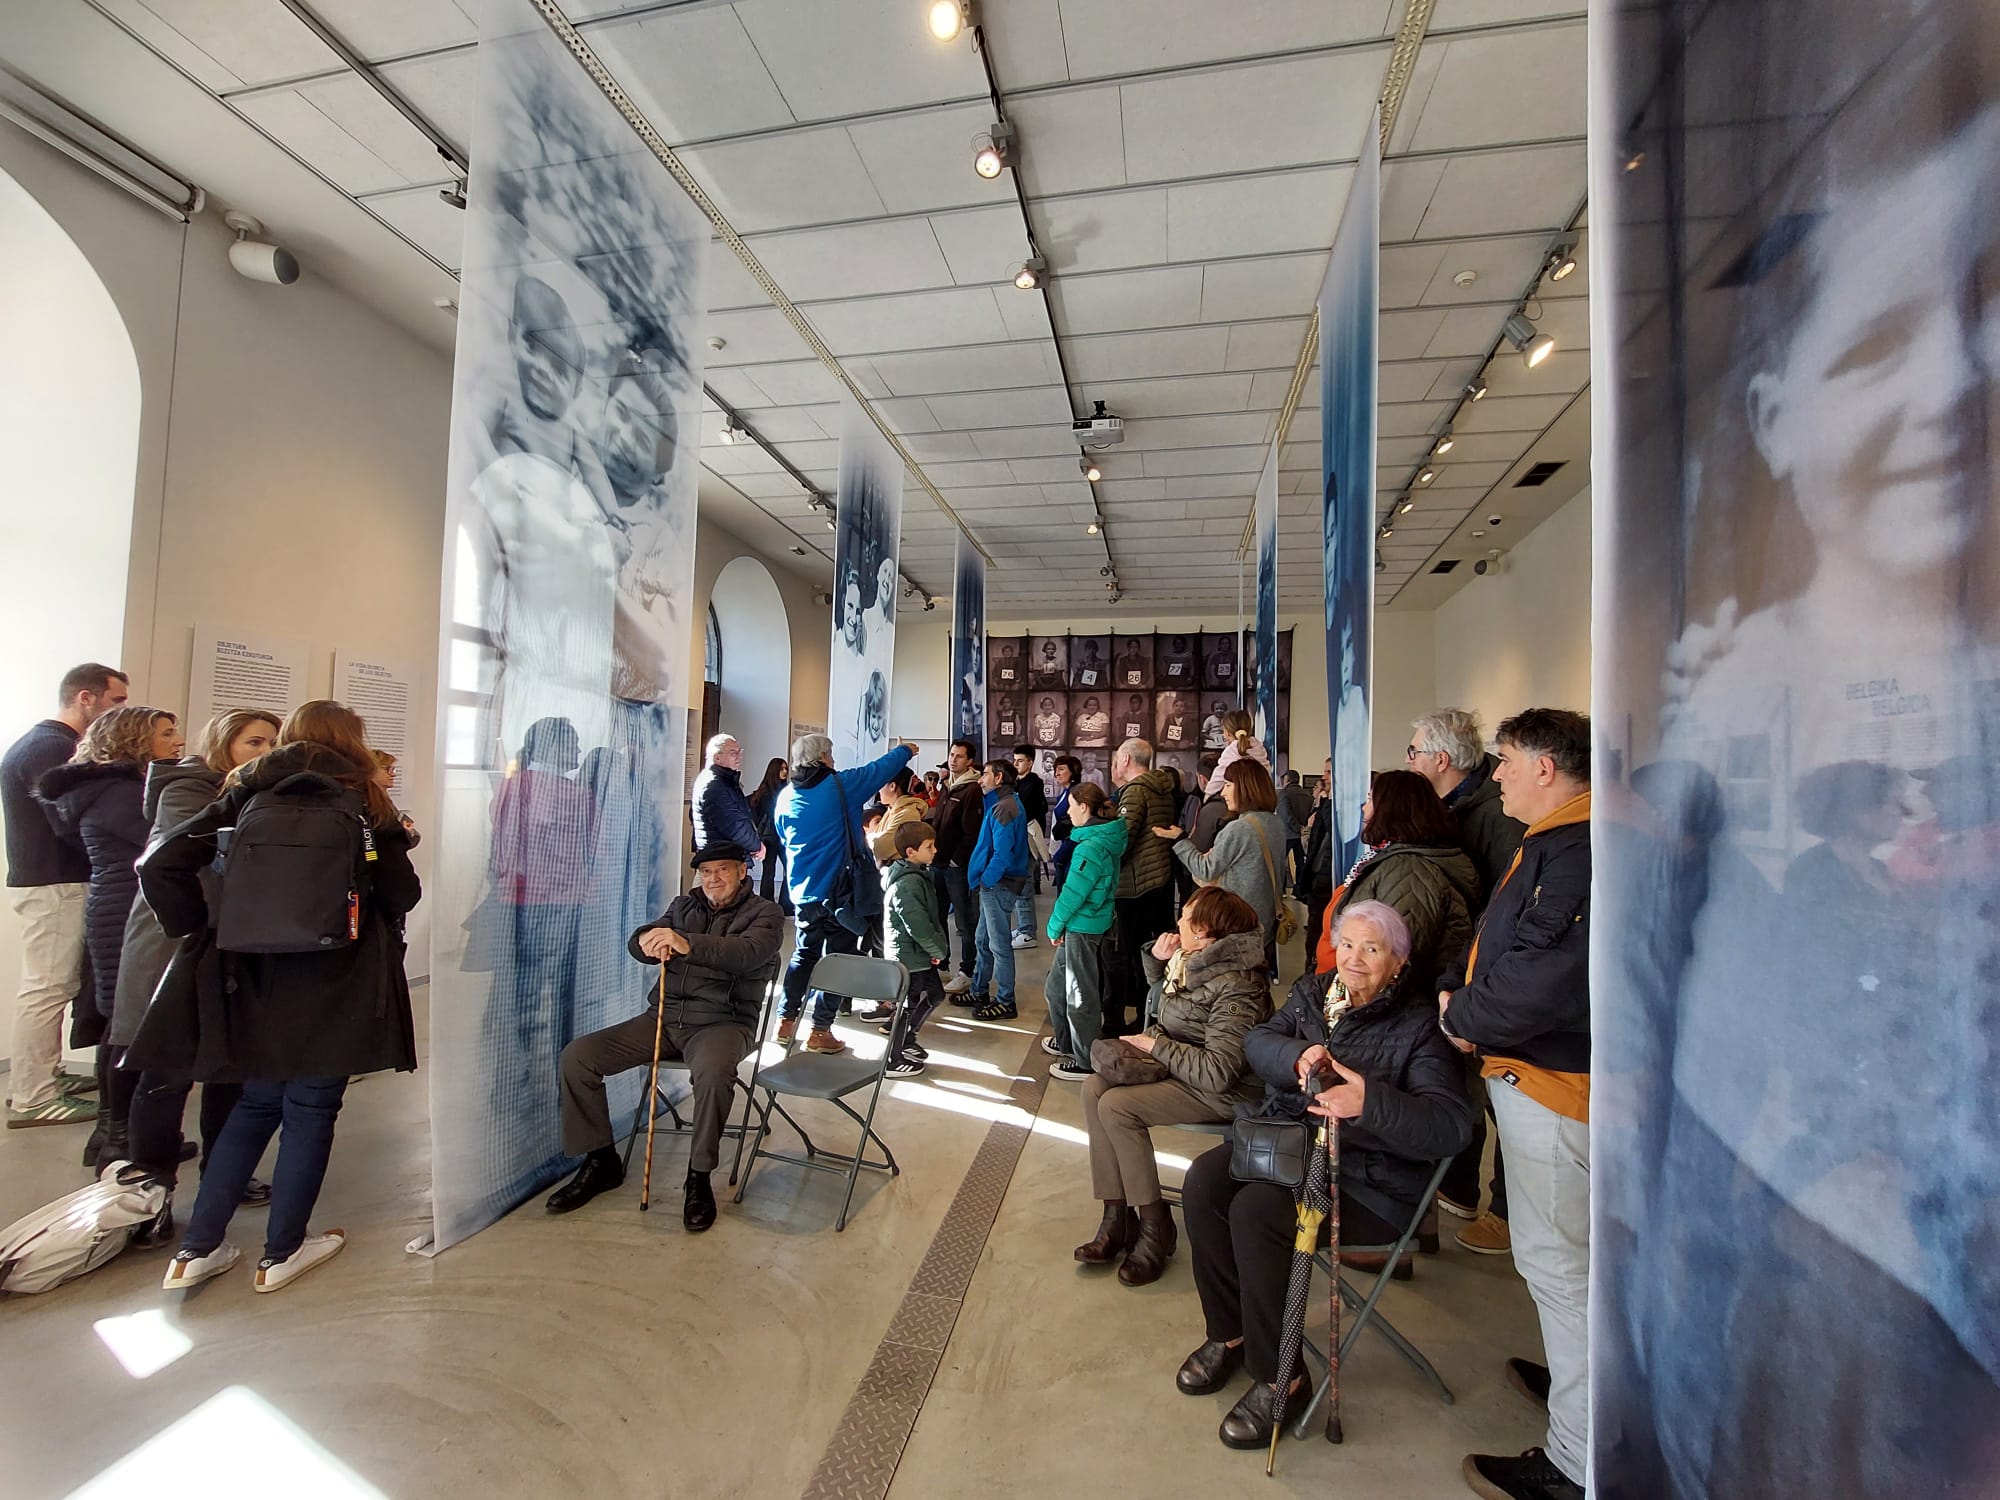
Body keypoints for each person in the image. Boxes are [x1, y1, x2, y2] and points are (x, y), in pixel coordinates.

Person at [138, 700, 422, 1294]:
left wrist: (203, 926)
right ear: (354, 742)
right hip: (337, 978)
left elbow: (162, 861)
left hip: (252, 975)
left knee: (256, 1104)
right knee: (312, 1111)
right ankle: (282, 1252)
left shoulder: (247, 789)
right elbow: (402, 893)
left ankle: (197, 1248)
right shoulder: (364, 800)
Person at [1180, 901, 1473, 1451]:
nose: (1354, 960)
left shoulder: (1418, 1026)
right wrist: (1295, 1056)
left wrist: (1369, 1102)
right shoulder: (1315, 993)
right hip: (1291, 1147)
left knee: (1258, 1213)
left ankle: (1281, 1377)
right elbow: (1257, 1041)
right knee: (1204, 1182)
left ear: (1399, 961)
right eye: (1348, 945)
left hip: (1370, 1180)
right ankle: (1233, 1333)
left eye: (1373, 949)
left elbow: (1451, 1127)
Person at [1439, 709, 1592, 1500]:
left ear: (1545, 765)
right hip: (1540, 1077)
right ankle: (1581, 1392)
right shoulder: (1557, 842)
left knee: (1561, 1268)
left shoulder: (1575, 851)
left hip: (1554, 1085)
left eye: (1504, 761)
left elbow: (1545, 976)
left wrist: (1461, 1017)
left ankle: (1578, 1457)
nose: (1494, 775)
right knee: (1566, 1263)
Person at [546, 841, 782, 1230]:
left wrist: (686, 943)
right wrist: (643, 941)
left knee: (713, 1072)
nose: (713, 879)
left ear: (742, 871)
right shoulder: (683, 907)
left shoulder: (766, 914)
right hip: (664, 1017)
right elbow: (648, 936)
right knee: (579, 1056)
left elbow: (748, 953)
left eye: (722, 870)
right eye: (706, 872)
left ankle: (698, 1176)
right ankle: (601, 1160)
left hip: (723, 1023)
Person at [115, 709, 281, 1226]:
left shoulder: (254, 795)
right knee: (167, 1074)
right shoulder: (186, 791)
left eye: (273, 742)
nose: (266, 751)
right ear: (224, 744)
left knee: (229, 1071)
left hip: (229, 945)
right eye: (254, 742)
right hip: (178, 947)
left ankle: (223, 1172)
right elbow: (194, 867)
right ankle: (153, 1186)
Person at [1074, 887, 1271, 1287]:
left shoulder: (1239, 985)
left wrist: (1155, 1046)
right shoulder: (1195, 962)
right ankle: (1117, 1216)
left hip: (1223, 1091)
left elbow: (1220, 1072)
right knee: (1093, 1089)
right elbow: (1177, 1012)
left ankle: (1154, 1226)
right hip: (1185, 1070)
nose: (1177, 921)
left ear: (1207, 934)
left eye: (1187, 917)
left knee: (1117, 1107)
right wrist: (1157, 964)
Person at [36, 705, 181, 1162]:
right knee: (126, 1024)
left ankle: (114, 1133)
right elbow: (158, 844)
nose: (177, 740)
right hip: (127, 912)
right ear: (136, 739)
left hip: (119, 907)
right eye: (166, 733)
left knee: (120, 1021)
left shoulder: (104, 789)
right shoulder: (118, 793)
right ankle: (119, 1138)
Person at [3, 662, 128, 1128]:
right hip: (53, 880)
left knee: (51, 983)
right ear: (85, 698)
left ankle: (42, 1078)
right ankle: (33, 1094)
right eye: (116, 700)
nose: (121, 710)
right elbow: (69, 818)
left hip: (52, 878)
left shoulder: (45, 744)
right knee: (47, 986)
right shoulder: (52, 747)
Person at [772, 733, 916, 1054]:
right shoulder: (839, 786)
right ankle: (820, 1031)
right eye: (831, 755)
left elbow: (783, 836)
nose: (834, 762)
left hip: (804, 892)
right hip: (841, 894)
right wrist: (906, 750)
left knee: (804, 954)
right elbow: (877, 771)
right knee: (841, 959)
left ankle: (785, 1020)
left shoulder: (785, 797)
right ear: (823, 758)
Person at [1313, 769, 1480, 992]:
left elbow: (1396, 962)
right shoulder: (1392, 859)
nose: (1364, 807)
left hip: (1368, 1004)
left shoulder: (1409, 870)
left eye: (1371, 799)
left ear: (1392, 807)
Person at [1042, 781, 1125, 1081]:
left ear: (1085, 808)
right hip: (1081, 924)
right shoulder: (1097, 840)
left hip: (1082, 926)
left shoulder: (1091, 847)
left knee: (1080, 994)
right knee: (1055, 989)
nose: (1068, 811)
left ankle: (1085, 1059)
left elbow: (1073, 894)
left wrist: (1054, 925)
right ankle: (1069, 1043)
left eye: (1072, 806)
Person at [1158, 760, 1285, 948]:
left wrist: (1179, 840)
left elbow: (1205, 870)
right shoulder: (1275, 824)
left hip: (1237, 923)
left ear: (1245, 787)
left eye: (1227, 785)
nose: (1223, 792)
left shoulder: (1239, 828)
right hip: (1265, 920)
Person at [1408, 709, 1526, 901]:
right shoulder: (1433, 807)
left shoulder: (1503, 814)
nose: (1408, 760)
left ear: (1441, 760)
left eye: (1413, 752)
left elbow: (1507, 896)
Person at [1108, 738, 1178, 1037]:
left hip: (1135, 885)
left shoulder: (1135, 792)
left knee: (1131, 953)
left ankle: (1137, 1014)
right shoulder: (1161, 788)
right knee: (1154, 948)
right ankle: (1153, 1009)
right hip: (1158, 879)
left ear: (1125, 759)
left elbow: (1122, 840)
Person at [881, 821, 949, 1078]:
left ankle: (909, 1039)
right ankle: (893, 1059)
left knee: (935, 994)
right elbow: (918, 926)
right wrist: (939, 951)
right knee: (905, 1007)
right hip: (908, 958)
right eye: (929, 846)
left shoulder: (919, 875)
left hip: (920, 955)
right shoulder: (906, 885)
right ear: (910, 852)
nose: (934, 850)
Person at [962, 758, 1029, 1022]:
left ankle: (1005, 1001)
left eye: (985, 774)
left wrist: (986, 880)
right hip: (994, 884)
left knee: (999, 944)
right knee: (983, 941)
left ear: (999, 778)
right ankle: (979, 990)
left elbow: (1002, 854)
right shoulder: (1004, 804)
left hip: (999, 885)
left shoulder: (1005, 807)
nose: (980, 779)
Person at [931, 738, 984, 993]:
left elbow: (971, 833)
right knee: (937, 915)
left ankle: (967, 970)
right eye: (952, 755)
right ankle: (942, 964)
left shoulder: (972, 790)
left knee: (964, 920)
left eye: (959, 756)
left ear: (969, 761)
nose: (953, 759)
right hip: (937, 862)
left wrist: (956, 860)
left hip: (956, 867)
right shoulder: (946, 786)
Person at [691, 734, 764, 863]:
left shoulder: (722, 781)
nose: (738, 757)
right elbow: (734, 826)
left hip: (723, 855)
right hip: (721, 858)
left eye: (739, 752)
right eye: (733, 753)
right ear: (717, 757)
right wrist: (756, 846)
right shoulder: (714, 785)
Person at [1009, 746, 1047, 948]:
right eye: (1014, 760)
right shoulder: (1018, 783)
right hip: (1018, 842)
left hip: (1027, 843)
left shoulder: (1033, 784)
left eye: (1020, 760)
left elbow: (1020, 808)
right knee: (1019, 887)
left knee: (1024, 887)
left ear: (1030, 762)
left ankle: (1027, 931)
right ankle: (1024, 926)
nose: (1016, 764)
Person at [748, 756, 789, 906]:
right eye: (782, 768)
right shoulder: (767, 793)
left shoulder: (775, 791)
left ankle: (780, 903)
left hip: (778, 836)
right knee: (770, 871)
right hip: (773, 837)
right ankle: (770, 903)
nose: (785, 771)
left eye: (786, 768)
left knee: (783, 869)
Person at [869, 766, 931, 862]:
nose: (878, 789)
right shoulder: (892, 809)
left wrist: (869, 838)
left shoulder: (908, 814)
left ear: (892, 786)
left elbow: (880, 848)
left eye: (882, 783)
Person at [1204, 709, 1270, 796]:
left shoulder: (1232, 750)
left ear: (1226, 732)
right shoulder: (1259, 747)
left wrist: (1207, 796)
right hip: (1263, 799)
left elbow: (1216, 781)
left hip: (1242, 802)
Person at [1048, 754, 1081, 891]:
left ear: (1073, 770)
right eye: (1055, 769)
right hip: (1063, 847)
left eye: (1061, 769)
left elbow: (1077, 825)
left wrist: (1060, 855)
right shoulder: (1065, 792)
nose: (1057, 773)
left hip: (1069, 849)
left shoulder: (1076, 792)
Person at [1276, 769, 1313, 888]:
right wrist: (1302, 829)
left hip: (1287, 834)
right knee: (1301, 863)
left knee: (1281, 863)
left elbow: (1286, 814)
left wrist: (1297, 827)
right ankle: (1300, 889)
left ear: (1287, 780)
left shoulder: (1284, 794)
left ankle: (1281, 890)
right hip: (1302, 835)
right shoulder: (1307, 794)